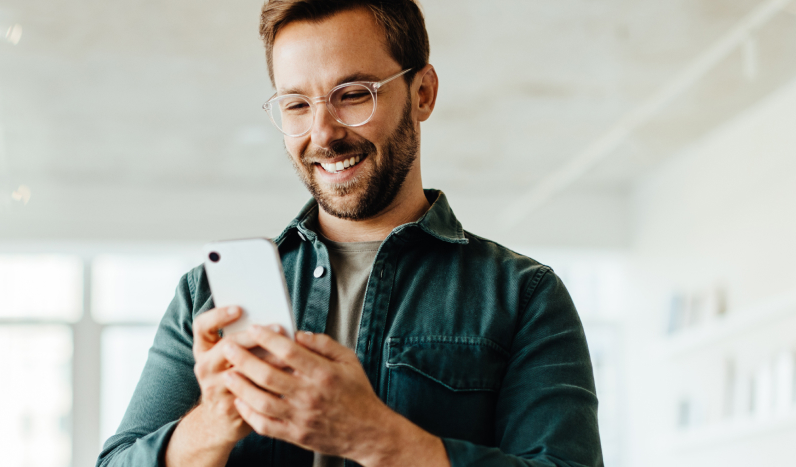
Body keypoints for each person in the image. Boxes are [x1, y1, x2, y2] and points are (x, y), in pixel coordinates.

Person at [98, 1, 602, 466]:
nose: (323, 133)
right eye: (297, 105)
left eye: (354, 95)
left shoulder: (525, 297)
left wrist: (374, 437)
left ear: (422, 93)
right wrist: (214, 421)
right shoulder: (206, 296)